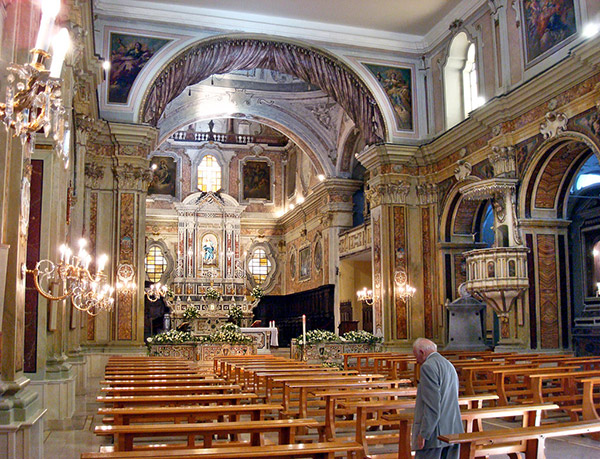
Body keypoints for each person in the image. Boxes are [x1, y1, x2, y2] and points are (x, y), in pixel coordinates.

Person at [412, 338, 463, 459]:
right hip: (452, 429)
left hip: (435, 433)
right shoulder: (448, 364)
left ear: (422, 352)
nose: (416, 361)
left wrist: (424, 433)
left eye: (416, 356)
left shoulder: (428, 367)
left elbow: (432, 405)